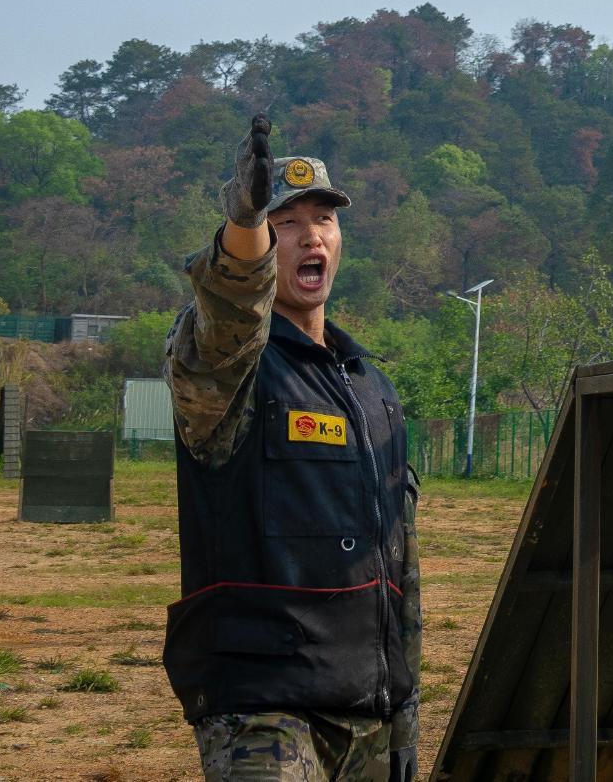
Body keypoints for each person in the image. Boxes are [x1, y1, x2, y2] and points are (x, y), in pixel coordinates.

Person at [162, 113, 421, 781]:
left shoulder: (372, 389)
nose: (312, 235)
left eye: (325, 220)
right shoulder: (229, 372)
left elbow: (399, 565)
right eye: (288, 223)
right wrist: (243, 225)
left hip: (367, 703)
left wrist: (404, 703)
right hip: (262, 706)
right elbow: (227, 314)